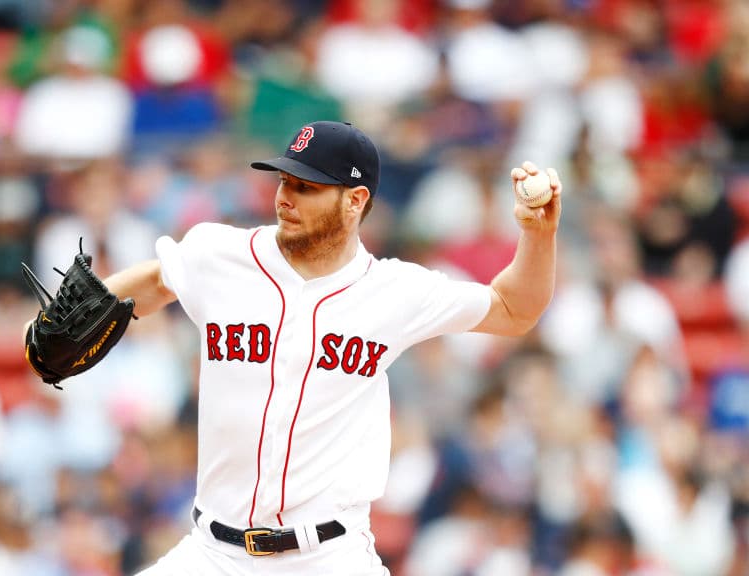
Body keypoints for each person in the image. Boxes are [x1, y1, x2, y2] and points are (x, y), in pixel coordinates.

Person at [65, 120, 562, 575]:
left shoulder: (394, 291)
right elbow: (157, 280)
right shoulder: (220, 255)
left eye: (307, 187)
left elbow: (514, 309)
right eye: (284, 181)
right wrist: (77, 318)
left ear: (354, 200)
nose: (286, 197)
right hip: (212, 553)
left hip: (328, 556)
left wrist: (538, 235)